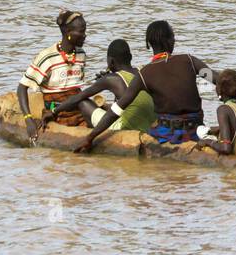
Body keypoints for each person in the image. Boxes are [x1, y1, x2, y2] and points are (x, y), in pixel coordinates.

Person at [134, 20, 236, 144]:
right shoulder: (189, 61)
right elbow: (224, 83)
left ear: (149, 44)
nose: (175, 40)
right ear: (168, 40)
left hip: (166, 134)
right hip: (193, 131)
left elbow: (118, 108)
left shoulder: (144, 74)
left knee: (149, 129)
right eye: (173, 36)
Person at [43, 39, 157, 153]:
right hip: (147, 124)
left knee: (83, 103)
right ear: (130, 57)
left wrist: (54, 111)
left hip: (128, 126)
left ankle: (92, 132)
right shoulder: (141, 71)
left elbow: (79, 97)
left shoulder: (112, 79)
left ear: (111, 62)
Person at [16, 10, 88, 141]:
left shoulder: (81, 54)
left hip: (79, 107)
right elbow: (22, 87)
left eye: (85, 31)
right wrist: (28, 120)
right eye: (81, 31)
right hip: (57, 113)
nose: (85, 35)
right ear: (67, 33)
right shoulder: (47, 57)